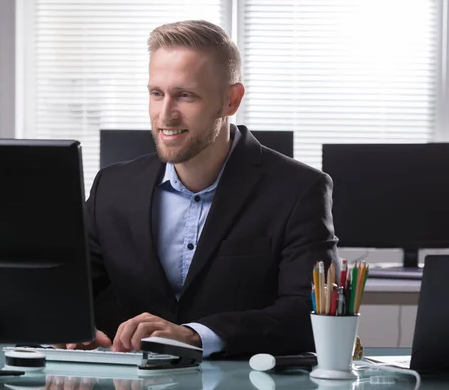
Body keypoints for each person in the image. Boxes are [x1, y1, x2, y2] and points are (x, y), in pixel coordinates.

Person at [61, 20, 338, 358]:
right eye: (156, 94)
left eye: (185, 96)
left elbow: (311, 315)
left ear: (231, 101)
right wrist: (73, 331)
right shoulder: (113, 187)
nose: (165, 115)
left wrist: (195, 335)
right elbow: (69, 294)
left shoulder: (299, 190)